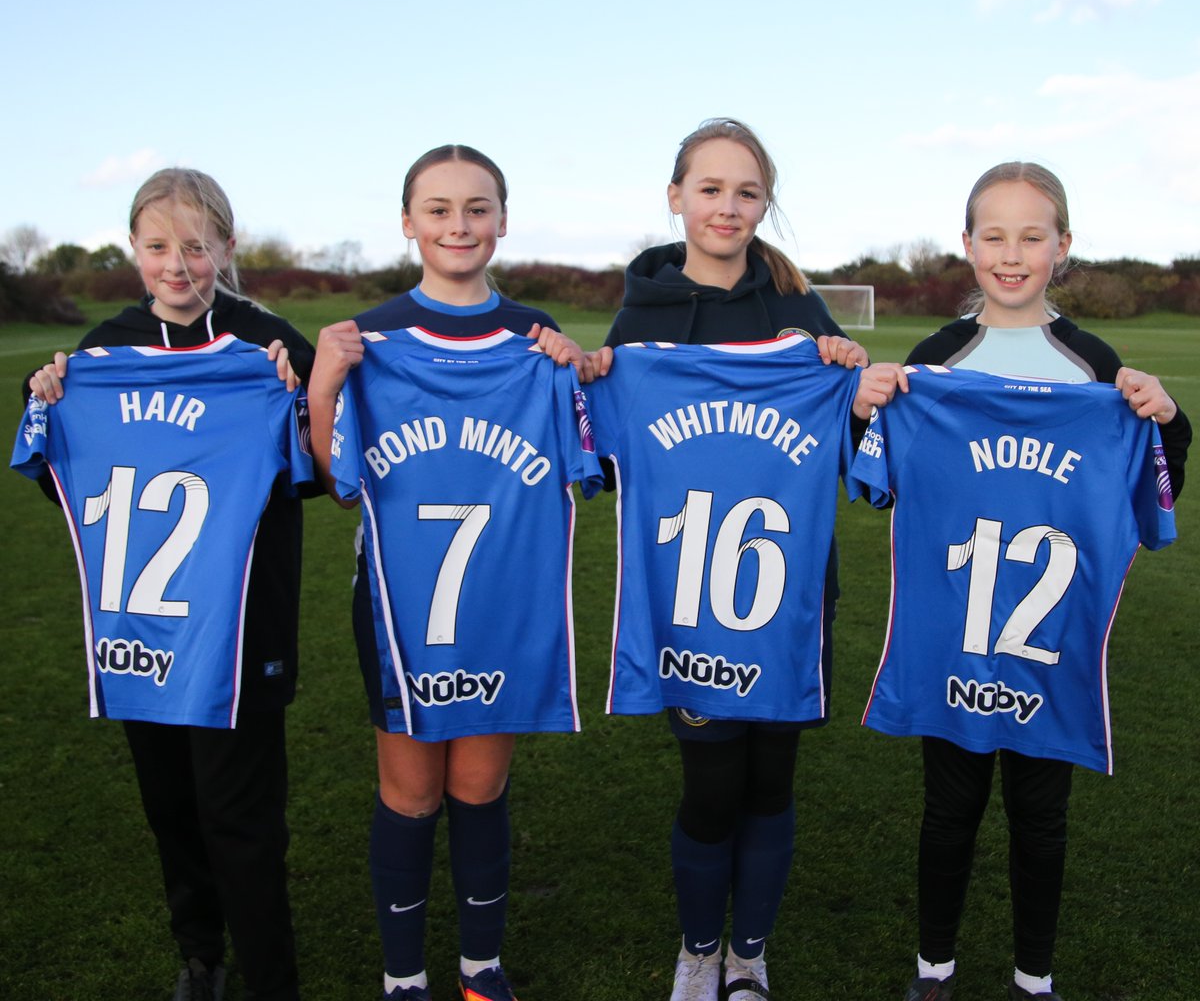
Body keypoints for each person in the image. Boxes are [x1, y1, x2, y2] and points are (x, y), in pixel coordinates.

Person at [851, 161, 1191, 1001]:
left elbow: (1155, 486)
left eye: (1031, 236)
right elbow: (872, 482)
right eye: (993, 236)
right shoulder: (935, 359)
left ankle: (1033, 977)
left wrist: (1167, 419)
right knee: (949, 813)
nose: (1012, 254)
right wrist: (865, 410)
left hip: (1050, 642)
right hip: (953, 638)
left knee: (1041, 823)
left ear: (1062, 247)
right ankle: (933, 970)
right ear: (966, 246)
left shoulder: (1093, 364)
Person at [305, 144, 594, 1001]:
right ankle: (403, 978)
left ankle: (479, 968)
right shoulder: (371, 339)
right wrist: (325, 385)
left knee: (478, 784)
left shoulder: (538, 339)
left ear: (502, 221)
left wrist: (579, 371)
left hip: (501, 603)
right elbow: (336, 487)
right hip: (400, 608)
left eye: (476, 208)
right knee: (409, 790)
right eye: (438, 209)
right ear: (407, 223)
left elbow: (588, 457)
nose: (458, 225)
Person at [21, 168, 315, 1001]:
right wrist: (47, 400)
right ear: (134, 250)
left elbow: (319, 471)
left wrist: (297, 402)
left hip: (241, 628)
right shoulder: (102, 349)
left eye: (195, 245)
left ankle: (271, 981)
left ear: (227, 246)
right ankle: (201, 957)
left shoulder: (271, 344)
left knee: (242, 820)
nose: (177, 264)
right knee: (173, 809)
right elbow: (66, 480)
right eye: (159, 246)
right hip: (140, 629)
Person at [594, 118, 868, 1001]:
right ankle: (698, 948)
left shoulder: (799, 312)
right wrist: (585, 372)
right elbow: (603, 453)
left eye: (746, 192)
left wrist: (848, 371)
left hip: (788, 595)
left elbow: (851, 438)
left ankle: (749, 955)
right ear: (675, 197)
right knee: (712, 786)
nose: (727, 207)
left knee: (771, 780)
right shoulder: (641, 319)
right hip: (687, 600)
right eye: (709, 189)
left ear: (765, 204)